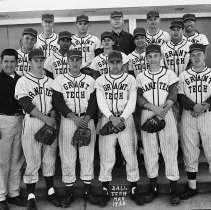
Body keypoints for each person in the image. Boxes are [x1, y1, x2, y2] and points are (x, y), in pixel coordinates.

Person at [95, 50, 145, 207]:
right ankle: (104, 189)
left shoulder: (130, 79)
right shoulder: (101, 80)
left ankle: (134, 188)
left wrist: (121, 118)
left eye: (118, 62)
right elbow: (100, 101)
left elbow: (132, 100)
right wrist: (111, 118)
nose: (115, 65)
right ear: (107, 63)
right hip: (107, 119)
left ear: (122, 63)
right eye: (112, 62)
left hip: (126, 119)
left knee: (130, 153)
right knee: (106, 155)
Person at [52, 49, 99, 208]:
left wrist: (86, 118)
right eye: (72, 59)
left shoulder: (90, 80)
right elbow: (57, 102)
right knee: (68, 156)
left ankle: (87, 191)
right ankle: (69, 192)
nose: (74, 62)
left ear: (81, 61)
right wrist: (74, 118)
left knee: (87, 155)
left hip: (86, 119)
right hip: (68, 120)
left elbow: (94, 101)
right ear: (67, 61)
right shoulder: (59, 79)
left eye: (77, 60)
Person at [15, 49, 60, 210]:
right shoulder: (23, 81)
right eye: (36, 60)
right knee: (32, 160)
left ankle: (51, 192)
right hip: (33, 122)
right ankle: (31, 197)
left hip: (49, 121)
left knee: (49, 158)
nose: (39, 63)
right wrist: (46, 119)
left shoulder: (50, 81)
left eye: (41, 60)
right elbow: (25, 103)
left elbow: (55, 102)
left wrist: (52, 118)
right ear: (30, 62)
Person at [136, 44, 180, 205]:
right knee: (149, 151)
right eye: (150, 56)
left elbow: (173, 93)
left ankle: (173, 189)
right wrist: (154, 108)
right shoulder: (141, 76)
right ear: (146, 58)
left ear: (160, 57)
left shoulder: (169, 74)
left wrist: (163, 109)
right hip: (148, 112)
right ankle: (153, 188)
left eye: (155, 56)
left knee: (170, 149)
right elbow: (139, 98)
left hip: (166, 112)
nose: (153, 59)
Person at [178, 43, 211, 200]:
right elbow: (180, 95)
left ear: (204, 55)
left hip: (208, 115)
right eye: (193, 55)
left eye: (199, 54)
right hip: (189, 115)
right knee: (190, 150)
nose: (196, 57)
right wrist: (193, 106)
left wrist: (205, 105)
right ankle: (192, 187)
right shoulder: (183, 75)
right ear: (189, 57)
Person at [0, 49, 25, 210]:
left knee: (17, 159)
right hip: (3, 120)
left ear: (17, 62)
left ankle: (14, 193)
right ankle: (1, 196)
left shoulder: (21, 79)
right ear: (1, 62)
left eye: (12, 61)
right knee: (2, 161)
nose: (9, 64)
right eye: (6, 61)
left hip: (20, 120)